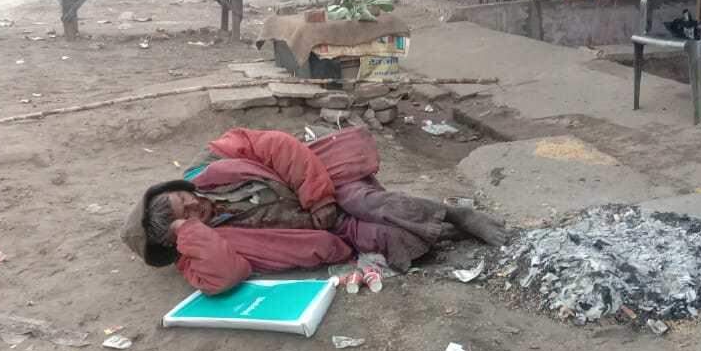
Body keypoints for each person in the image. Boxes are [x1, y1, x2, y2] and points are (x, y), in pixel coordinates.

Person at [122, 126, 508, 294]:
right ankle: (450, 231)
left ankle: (456, 214)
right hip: (328, 232)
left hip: (325, 183)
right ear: (176, 238)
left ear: (177, 188)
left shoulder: (215, 165)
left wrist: (319, 198)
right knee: (390, 239)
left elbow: (278, 145)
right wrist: (190, 231)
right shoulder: (196, 257)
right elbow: (227, 274)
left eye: (183, 198)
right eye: (186, 216)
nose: (194, 205)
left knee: (366, 202)